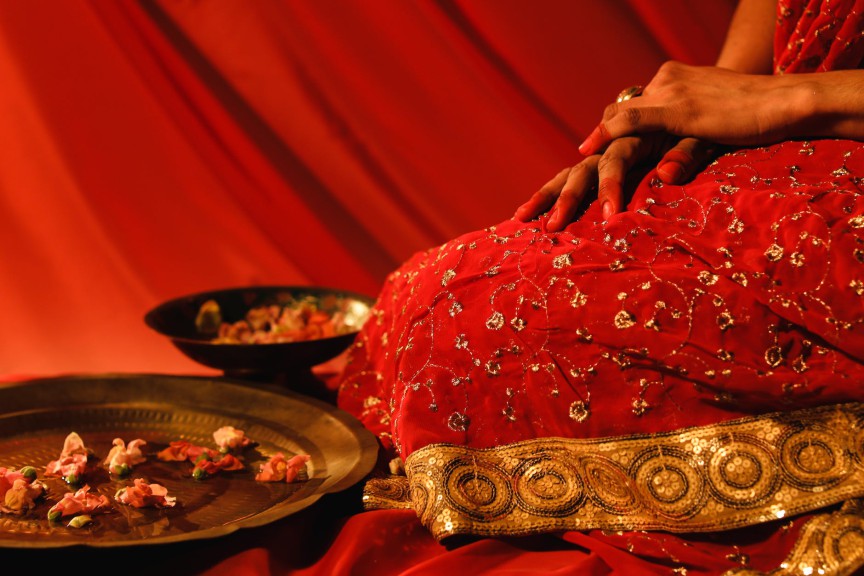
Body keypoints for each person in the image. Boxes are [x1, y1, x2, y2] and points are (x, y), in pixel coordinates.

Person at [336, 0, 864, 574]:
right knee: (432, 291)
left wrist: (790, 99)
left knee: (476, 339)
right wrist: (689, 111)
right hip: (785, 145)